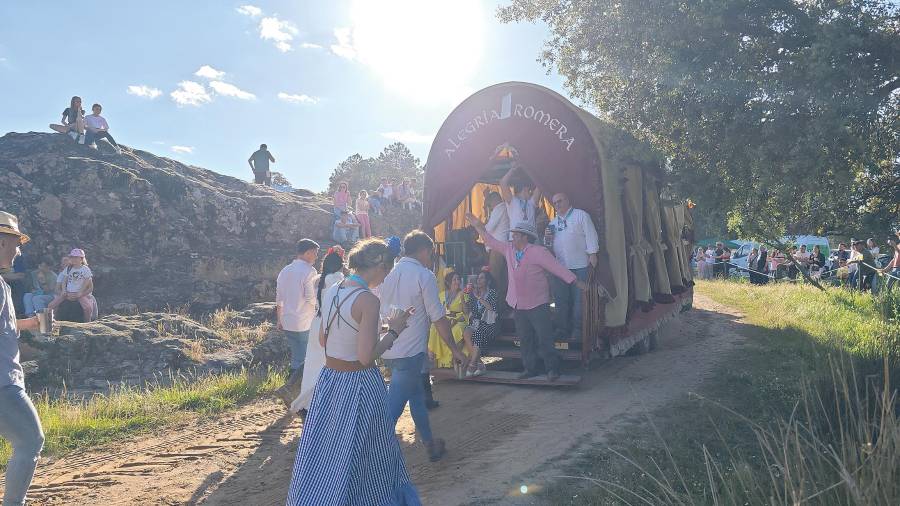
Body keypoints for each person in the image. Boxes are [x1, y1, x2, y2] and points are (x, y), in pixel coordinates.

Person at [285, 238, 420, 505]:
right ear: (381, 266)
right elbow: (366, 357)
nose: (385, 279)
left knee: (328, 452)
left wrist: (373, 332)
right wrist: (395, 329)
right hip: (359, 384)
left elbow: (325, 340)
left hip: (330, 381)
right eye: (387, 272)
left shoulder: (334, 288)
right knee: (370, 451)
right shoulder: (368, 300)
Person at [378, 231, 467, 461]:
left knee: (417, 396)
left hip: (389, 347)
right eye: (431, 253)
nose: (431, 258)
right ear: (425, 251)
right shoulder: (423, 275)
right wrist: (456, 351)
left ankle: (430, 443)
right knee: (392, 410)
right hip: (410, 352)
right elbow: (438, 318)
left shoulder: (388, 273)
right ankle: (369, 454)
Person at [466, 214, 586, 381]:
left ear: (524, 236)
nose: (512, 237)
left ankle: (552, 369)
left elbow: (557, 268)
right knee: (525, 338)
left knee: (545, 338)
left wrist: (575, 281)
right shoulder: (509, 249)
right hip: (518, 303)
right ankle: (530, 369)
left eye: (515, 235)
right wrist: (479, 226)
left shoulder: (538, 252)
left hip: (538, 303)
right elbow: (490, 241)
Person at [0, 211, 46, 506]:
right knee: (30, 439)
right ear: (2, 242)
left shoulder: (2, 284)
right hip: (2, 382)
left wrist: (31, 324)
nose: (19, 250)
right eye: (17, 243)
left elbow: (5, 327)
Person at [290, 249, 345, 415]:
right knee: (328, 365)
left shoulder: (317, 280)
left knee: (313, 363)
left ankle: (307, 402)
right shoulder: (337, 279)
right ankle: (325, 401)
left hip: (316, 322)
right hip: (330, 325)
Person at [546, 193, 599, 340]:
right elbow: (549, 245)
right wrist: (547, 239)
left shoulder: (581, 215)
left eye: (560, 201)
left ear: (568, 200)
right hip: (561, 267)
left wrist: (593, 253)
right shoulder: (553, 222)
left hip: (580, 265)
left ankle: (578, 331)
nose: (557, 204)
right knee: (561, 300)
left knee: (579, 301)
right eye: (555, 202)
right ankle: (562, 329)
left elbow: (591, 235)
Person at [274, 239, 319, 407]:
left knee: (296, 357)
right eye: (315, 252)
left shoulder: (285, 270)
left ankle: (293, 391)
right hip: (304, 320)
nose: (316, 256)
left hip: (287, 320)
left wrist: (279, 319)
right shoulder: (309, 271)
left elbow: (279, 298)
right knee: (305, 359)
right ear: (307, 252)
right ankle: (292, 390)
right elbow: (310, 298)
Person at [461, 270, 499, 377]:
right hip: (476, 323)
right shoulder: (473, 293)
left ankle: (473, 364)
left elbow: (491, 308)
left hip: (489, 324)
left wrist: (479, 298)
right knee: (466, 333)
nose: (479, 280)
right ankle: (480, 364)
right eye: (478, 278)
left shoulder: (492, 293)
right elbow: (467, 311)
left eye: (482, 278)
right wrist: (464, 298)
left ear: (488, 281)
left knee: (478, 333)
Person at [427, 272, 466, 369]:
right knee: (434, 327)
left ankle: (451, 359)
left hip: (459, 319)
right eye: (454, 280)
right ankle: (432, 354)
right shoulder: (441, 295)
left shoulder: (463, 294)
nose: (457, 282)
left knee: (456, 331)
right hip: (444, 318)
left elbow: (466, 313)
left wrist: (462, 298)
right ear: (448, 282)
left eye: (458, 279)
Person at [47, 249, 95, 323]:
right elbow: (64, 280)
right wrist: (64, 291)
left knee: (88, 308)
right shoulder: (68, 268)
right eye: (72, 257)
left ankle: (87, 323)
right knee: (51, 305)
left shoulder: (85, 269)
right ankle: (52, 322)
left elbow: (87, 282)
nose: (74, 259)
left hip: (79, 293)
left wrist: (80, 293)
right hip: (68, 292)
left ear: (81, 259)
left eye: (76, 257)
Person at [483, 191, 510, 310]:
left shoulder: (499, 209)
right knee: (503, 279)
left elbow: (488, 228)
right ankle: (504, 306)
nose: (490, 208)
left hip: (496, 248)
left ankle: (497, 308)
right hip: (502, 246)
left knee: (495, 279)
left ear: (494, 201)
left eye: (489, 205)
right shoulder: (504, 208)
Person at [499, 167, 542, 237]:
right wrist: (512, 169)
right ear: (525, 189)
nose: (531, 193)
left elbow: (540, 184)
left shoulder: (531, 203)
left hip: (531, 240)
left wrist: (532, 169)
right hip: (516, 241)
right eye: (530, 191)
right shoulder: (512, 201)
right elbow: (502, 182)